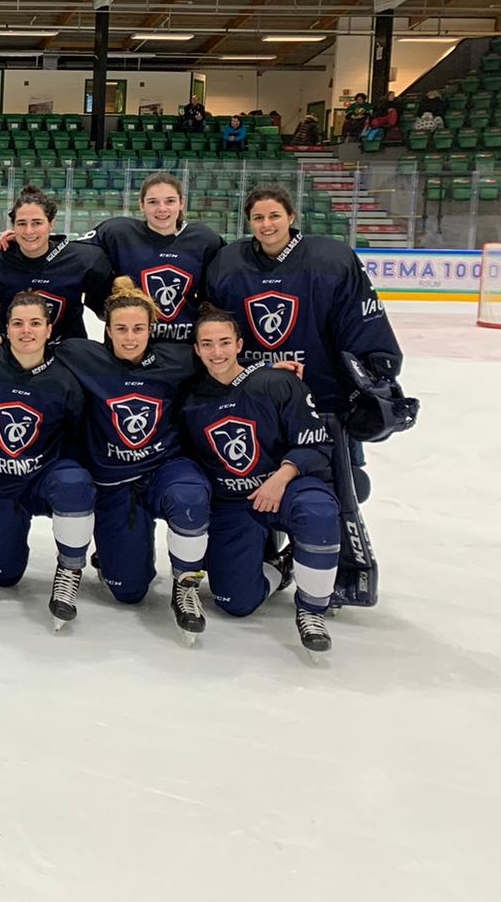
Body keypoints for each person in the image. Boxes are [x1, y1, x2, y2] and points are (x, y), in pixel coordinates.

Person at [202, 185, 408, 605]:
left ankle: (339, 572)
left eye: (274, 216)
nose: (267, 224)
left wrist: (375, 377)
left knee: (339, 487)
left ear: (291, 216)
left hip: (322, 400)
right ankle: (260, 556)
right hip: (254, 400)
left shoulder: (330, 260)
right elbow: (215, 331)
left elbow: (361, 324)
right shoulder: (229, 264)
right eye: (258, 218)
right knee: (254, 481)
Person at [180, 306, 341, 652]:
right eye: (207, 344)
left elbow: (316, 445)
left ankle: (312, 610)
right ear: (196, 350)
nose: (217, 352)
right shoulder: (192, 401)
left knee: (318, 510)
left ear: (240, 344)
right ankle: (281, 567)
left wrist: (281, 477)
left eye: (224, 342)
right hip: (234, 504)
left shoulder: (277, 382)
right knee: (233, 601)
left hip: (285, 488)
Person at [54, 278, 211, 619]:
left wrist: (269, 373)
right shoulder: (81, 355)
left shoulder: (179, 359)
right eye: (121, 328)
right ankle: (115, 554)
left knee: (190, 497)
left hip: (164, 469)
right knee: (128, 592)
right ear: (107, 330)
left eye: (139, 328)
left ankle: (186, 585)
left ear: (152, 328)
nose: (130, 337)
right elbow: (29, 347)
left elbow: (225, 364)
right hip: (114, 483)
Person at [0, 292, 94, 627]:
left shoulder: (66, 377)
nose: (26, 331)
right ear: (5, 328)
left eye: (35, 323)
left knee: (75, 482)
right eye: (17, 323)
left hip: (44, 481)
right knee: (2, 575)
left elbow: (77, 435)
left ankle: (69, 568)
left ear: (49, 330)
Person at [70, 172, 224, 342]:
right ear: (141, 205)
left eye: (170, 201)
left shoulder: (203, 239)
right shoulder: (118, 233)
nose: (162, 208)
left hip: (183, 346)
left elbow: (218, 286)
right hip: (128, 344)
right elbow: (76, 257)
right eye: (153, 202)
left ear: (182, 203)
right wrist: (104, 301)